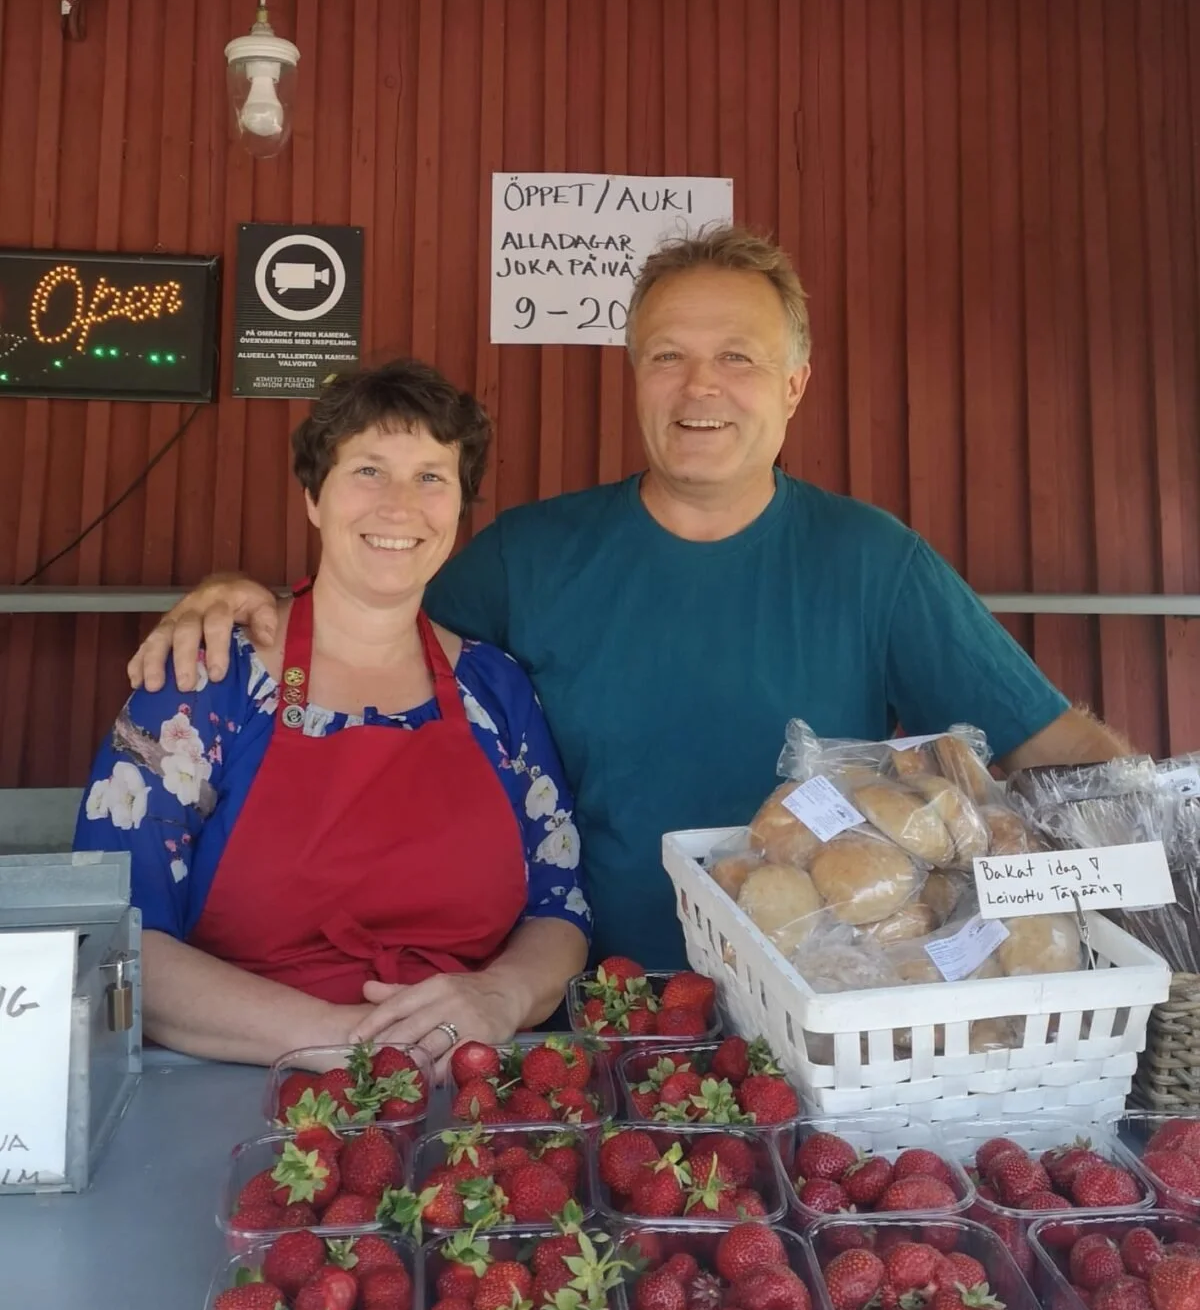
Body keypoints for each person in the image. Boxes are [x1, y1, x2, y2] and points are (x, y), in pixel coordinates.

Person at [130, 226, 1126, 981]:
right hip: (580, 1017)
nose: (701, 386)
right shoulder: (532, 555)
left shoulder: (873, 561)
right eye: (667, 355)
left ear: (795, 384)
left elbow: (1059, 751)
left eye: (737, 356)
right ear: (634, 377)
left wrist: (1157, 868)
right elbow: (369, 621)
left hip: (819, 1012)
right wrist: (245, 600)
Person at [78, 360, 589, 1066]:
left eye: (431, 477)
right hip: (238, 1092)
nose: (400, 506)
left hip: (469, 1094)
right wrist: (351, 1044)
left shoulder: (495, 689)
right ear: (315, 496)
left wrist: (500, 995)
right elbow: (114, 936)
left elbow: (560, 909)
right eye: (369, 470)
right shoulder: (208, 679)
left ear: (459, 509)